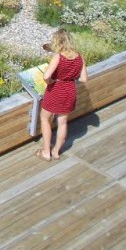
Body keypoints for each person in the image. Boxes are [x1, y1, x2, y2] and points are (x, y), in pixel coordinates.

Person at [35, 29, 87, 161]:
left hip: (56, 90)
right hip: (70, 91)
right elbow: (84, 79)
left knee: (45, 119)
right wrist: (70, 79)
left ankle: (46, 152)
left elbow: (46, 76)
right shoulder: (79, 56)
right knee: (63, 122)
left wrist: (52, 81)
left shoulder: (59, 57)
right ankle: (56, 152)